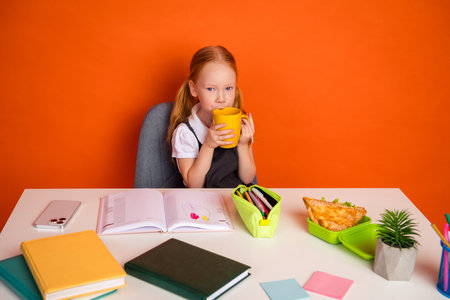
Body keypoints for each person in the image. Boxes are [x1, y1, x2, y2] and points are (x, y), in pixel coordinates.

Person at [167, 45, 256, 188]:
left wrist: (243, 144)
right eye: (211, 89)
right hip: (201, 203)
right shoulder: (186, 132)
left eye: (228, 88)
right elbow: (194, 184)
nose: (221, 98)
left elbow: (247, 178)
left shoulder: (240, 123)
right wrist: (208, 145)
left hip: (234, 200)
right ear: (194, 89)